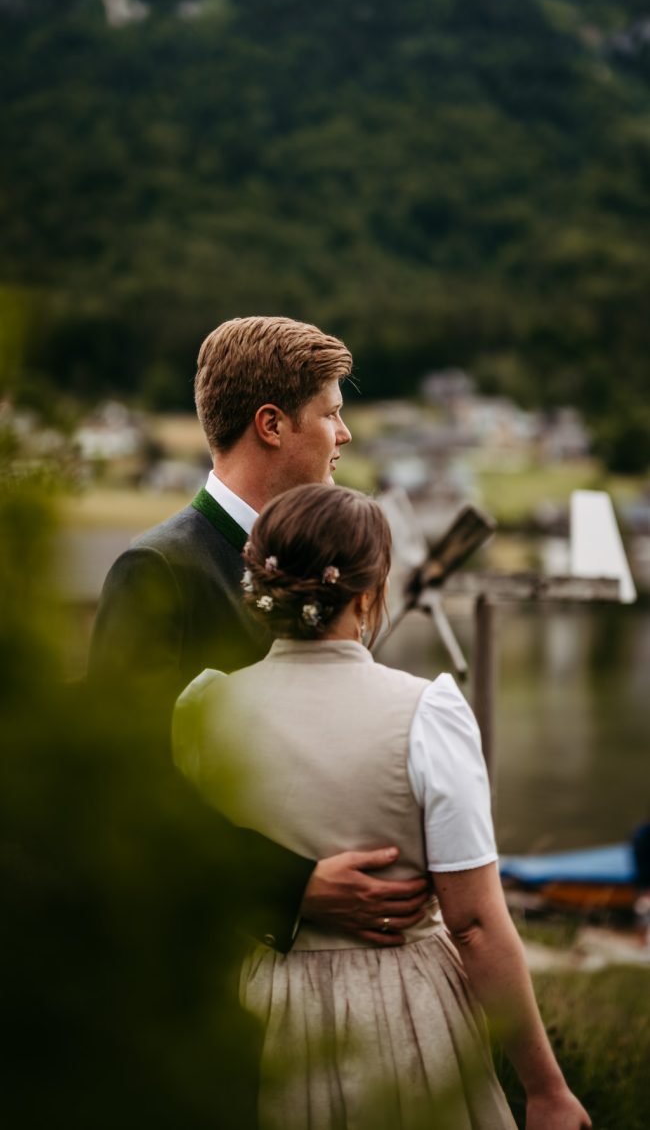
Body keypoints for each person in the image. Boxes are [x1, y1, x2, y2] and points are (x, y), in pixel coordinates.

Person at [174, 484, 592, 1130]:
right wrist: (546, 1088)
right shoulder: (428, 713)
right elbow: (475, 924)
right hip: (403, 1014)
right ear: (369, 595)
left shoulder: (204, 710)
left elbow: (193, 868)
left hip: (256, 1013)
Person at [88, 316, 428, 952]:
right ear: (271, 425)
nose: (345, 434)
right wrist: (289, 885)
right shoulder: (158, 568)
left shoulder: (311, 564)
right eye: (330, 414)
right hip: (203, 948)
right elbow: (129, 783)